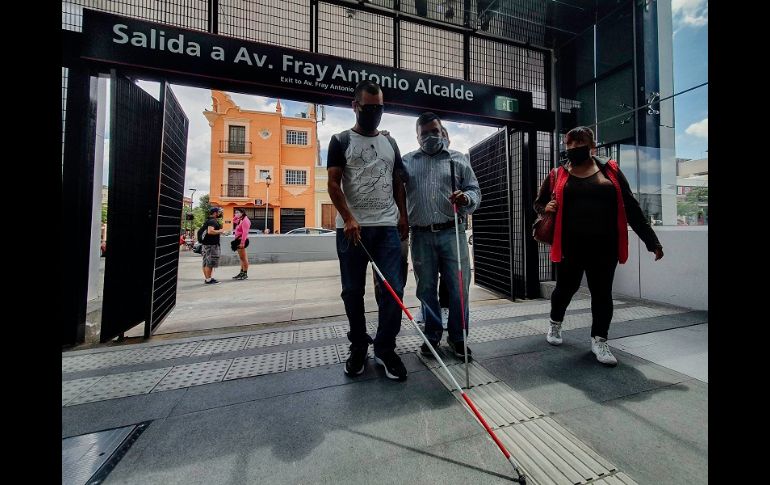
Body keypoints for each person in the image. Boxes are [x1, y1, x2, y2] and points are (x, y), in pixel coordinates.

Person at [534, 126, 664, 365]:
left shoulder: (611, 170)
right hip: (570, 246)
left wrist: (651, 240)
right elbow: (539, 203)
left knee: (602, 294)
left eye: (579, 143)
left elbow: (632, 207)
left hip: (605, 247)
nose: (573, 148)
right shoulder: (557, 174)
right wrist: (547, 208)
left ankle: (599, 340)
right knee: (565, 289)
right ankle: (555, 323)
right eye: (569, 144)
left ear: (592, 145)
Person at [327, 79, 409, 381]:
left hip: (386, 227)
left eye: (380, 108)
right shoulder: (340, 140)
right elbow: (333, 184)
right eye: (369, 107)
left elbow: (398, 180)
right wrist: (348, 217)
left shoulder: (390, 143)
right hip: (353, 230)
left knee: (394, 290)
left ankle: (385, 348)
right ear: (355, 106)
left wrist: (403, 216)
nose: (375, 113)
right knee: (352, 291)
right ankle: (359, 346)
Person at [401, 112, 481, 359]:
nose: (430, 137)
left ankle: (458, 338)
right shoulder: (406, 162)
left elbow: (474, 190)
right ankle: (432, 336)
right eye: (424, 133)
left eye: (434, 131)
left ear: (443, 132)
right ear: (417, 136)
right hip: (421, 235)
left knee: (459, 288)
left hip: (452, 231)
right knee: (425, 289)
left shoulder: (458, 160)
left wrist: (466, 198)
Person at [201, 207, 227, 285]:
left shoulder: (208, 220)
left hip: (206, 244)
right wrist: (221, 231)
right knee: (210, 263)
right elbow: (210, 231)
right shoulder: (213, 221)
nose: (220, 213)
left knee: (205, 262)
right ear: (215, 213)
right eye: (219, 212)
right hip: (211, 245)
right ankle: (209, 280)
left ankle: (208, 279)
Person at [231, 208, 251, 280]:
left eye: (237, 212)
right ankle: (241, 273)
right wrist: (236, 216)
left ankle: (245, 273)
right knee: (242, 258)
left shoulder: (245, 220)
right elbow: (233, 220)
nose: (235, 214)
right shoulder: (241, 220)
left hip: (242, 241)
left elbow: (245, 233)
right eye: (235, 212)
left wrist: (242, 243)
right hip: (238, 240)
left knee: (244, 258)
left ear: (242, 213)